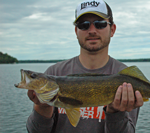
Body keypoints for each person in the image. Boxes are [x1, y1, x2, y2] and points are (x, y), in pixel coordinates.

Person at [26, 0, 143, 132]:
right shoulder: (55, 73)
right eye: (84, 25)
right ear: (76, 31)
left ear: (112, 29)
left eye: (100, 24)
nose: (92, 31)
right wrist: (43, 107)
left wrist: (116, 113)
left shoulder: (125, 78)